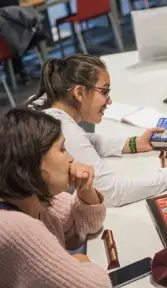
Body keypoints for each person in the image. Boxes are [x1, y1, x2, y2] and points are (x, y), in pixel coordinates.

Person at [28, 54, 167, 207]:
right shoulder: (64, 130)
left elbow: (83, 141)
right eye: (104, 92)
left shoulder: (41, 106)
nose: (109, 101)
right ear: (79, 93)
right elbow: (112, 192)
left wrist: (131, 144)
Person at [0, 108, 111, 288]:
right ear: (35, 162)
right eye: (62, 149)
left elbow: (86, 226)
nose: (70, 158)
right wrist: (81, 263)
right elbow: (96, 285)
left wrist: (85, 189)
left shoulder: (36, 200)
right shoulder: (16, 228)